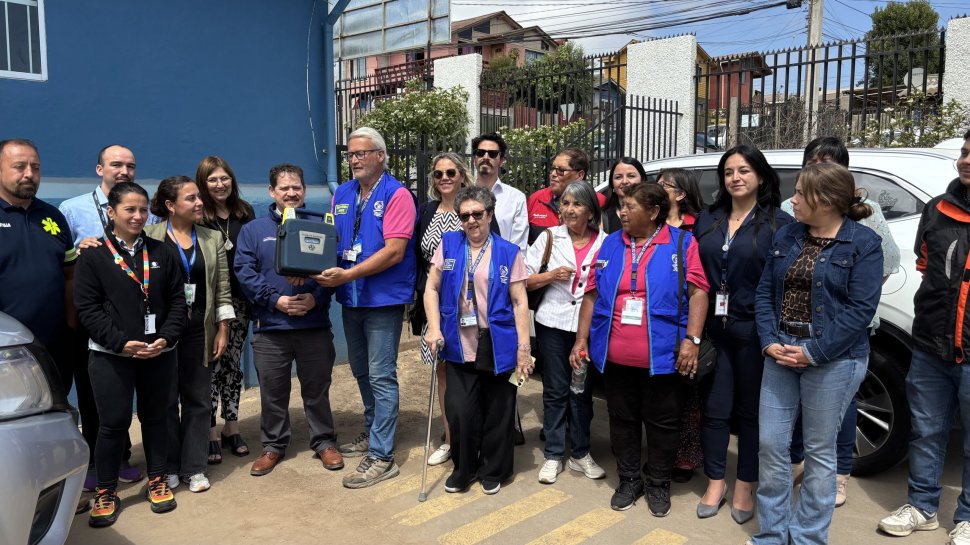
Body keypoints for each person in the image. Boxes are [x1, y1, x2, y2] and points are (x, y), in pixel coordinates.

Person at [753, 162, 882, 545]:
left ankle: (808, 537)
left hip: (834, 360)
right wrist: (768, 340)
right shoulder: (789, 235)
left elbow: (861, 310)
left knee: (820, 451)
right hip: (780, 350)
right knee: (771, 445)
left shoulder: (862, 242)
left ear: (825, 201)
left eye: (800, 194)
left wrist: (814, 352)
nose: (792, 200)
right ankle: (773, 534)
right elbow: (764, 294)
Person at [570, 183, 710, 517]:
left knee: (663, 423)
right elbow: (590, 294)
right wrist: (581, 340)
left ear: (653, 211)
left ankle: (658, 483)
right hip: (615, 357)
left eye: (630, 206)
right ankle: (629, 479)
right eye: (621, 205)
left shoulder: (681, 243)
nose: (622, 212)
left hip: (663, 357)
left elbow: (699, 293)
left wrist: (692, 340)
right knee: (622, 419)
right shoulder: (611, 244)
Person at [780, 136, 900, 508]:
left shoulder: (867, 211)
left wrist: (848, 300)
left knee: (845, 404)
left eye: (831, 162)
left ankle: (839, 473)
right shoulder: (789, 207)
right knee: (798, 404)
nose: (821, 169)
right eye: (814, 162)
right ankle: (797, 462)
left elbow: (887, 261)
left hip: (846, 330)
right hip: (796, 325)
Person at [73, 182, 187, 527]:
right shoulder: (93, 256)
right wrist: (120, 343)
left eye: (143, 210)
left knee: (155, 419)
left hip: (157, 353)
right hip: (111, 356)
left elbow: (179, 302)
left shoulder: (162, 252)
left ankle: (157, 478)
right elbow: (87, 308)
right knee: (112, 425)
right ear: (112, 212)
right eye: (130, 210)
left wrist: (166, 339)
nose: (138, 216)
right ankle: (106, 490)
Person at [877, 130, 970, 545]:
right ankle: (923, 507)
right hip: (931, 348)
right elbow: (925, 265)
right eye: (966, 153)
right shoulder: (938, 210)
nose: (967, 160)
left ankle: (966, 517)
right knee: (926, 432)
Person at [692, 145, 791, 523]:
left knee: (751, 413)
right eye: (729, 171)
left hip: (754, 331)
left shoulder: (778, 224)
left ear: (761, 177)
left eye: (744, 170)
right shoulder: (708, 219)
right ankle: (716, 481)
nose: (735, 177)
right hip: (714, 329)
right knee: (715, 410)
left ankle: (746, 483)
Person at [314, 127, 417, 489]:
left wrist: (347, 274)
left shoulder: (398, 195)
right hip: (351, 298)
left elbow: (395, 251)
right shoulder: (342, 193)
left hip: (382, 301)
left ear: (380, 156)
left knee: (381, 375)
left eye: (361, 153)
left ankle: (383, 455)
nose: (354, 160)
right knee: (360, 370)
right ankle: (374, 431)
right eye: (351, 155)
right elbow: (331, 241)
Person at [422, 185, 533, 495]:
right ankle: (464, 467)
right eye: (465, 215)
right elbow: (431, 288)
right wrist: (433, 328)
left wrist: (524, 349)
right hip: (458, 342)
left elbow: (520, 302)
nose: (471, 220)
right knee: (459, 410)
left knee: (498, 411)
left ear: (490, 214)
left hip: (498, 343)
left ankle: (494, 469)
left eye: (477, 214)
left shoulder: (509, 252)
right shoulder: (449, 244)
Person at [235, 163, 342, 477]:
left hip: (313, 326)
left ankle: (324, 442)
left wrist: (314, 297)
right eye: (284, 188)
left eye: (297, 187)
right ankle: (273, 446)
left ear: (304, 191)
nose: (291, 193)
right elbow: (245, 273)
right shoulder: (253, 231)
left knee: (317, 389)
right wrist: (276, 300)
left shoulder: (321, 226)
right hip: (271, 328)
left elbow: (334, 271)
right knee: (273, 391)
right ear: (272, 192)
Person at [58, 144, 145, 488]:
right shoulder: (73, 209)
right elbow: (63, 258)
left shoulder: (142, 208)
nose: (124, 170)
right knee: (94, 392)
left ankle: (122, 456)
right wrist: (80, 248)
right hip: (91, 316)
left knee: (124, 392)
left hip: (132, 316)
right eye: (116, 164)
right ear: (100, 169)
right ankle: (95, 462)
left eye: (130, 165)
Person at [145, 176, 233, 493]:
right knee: (166, 400)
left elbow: (223, 289)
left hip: (200, 330)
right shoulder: (148, 235)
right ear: (170, 205)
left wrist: (223, 328)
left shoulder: (211, 239)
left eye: (199, 197)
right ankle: (169, 465)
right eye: (191, 198)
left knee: (198, 400)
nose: (199, 203)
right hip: (162, 333)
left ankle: (193, 467)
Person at [412, 152, 498, 467]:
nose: (444, 178)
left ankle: (478, 437)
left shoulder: (475, 209)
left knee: (477, 371)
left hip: (475, 306)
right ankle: (450, 438)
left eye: (450, 172)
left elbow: (495, 254)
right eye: (437, 174)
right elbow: (418, 257)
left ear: (461, 175)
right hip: (437, 306)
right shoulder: (426, 211)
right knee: (444, 371)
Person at [526, 181, 606, 484]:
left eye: (577, 204)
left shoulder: (605, 242)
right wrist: (551, 275)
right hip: (553, 324)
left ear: (590, 210)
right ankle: (554, 453)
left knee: (582, 392)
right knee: (556, 389)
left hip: (587, 329)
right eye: (566, 203)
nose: (569, 209)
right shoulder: (549, 237)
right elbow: (524, 280)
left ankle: (581, 452)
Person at [196, 156, 256, 464]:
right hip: (209, 304)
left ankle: (233, 426)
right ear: (203, 184)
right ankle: (211, 432)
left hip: (241, 302)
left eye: (224, 178)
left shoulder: (245, 212)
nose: (220, 184)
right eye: (212, 180)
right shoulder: (199, 216)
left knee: (232, 366)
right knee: (211, 368)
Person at [655, 167, 706, 484]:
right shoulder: (652, 223)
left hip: (689, 320)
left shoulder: (696, 227)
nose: (658, 188)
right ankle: (660, 453)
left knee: (687, 395)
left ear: (681, 194)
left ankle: (685, 457)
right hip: (656, 321)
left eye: (665, 184)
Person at [526, 147, 606, 243]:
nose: (553, 174)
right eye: (552, 169)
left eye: (561, 170)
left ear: (580, 175)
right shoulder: (536, 199)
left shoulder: (597, 202)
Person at [472, 132, 529, 253]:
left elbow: (518, 247)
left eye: (492, 154)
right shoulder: (463, 195)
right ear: (474, 158)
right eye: (481, 153)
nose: (486, 157)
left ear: (501, 160)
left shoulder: (516, 198)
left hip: (503, 267)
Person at [602, 157, 648, 234]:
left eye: (631, 176)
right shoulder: (603, 218)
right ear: (612, 183)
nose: (624, 181)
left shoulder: (654, 213)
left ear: (642, 179)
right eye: (618, 177)